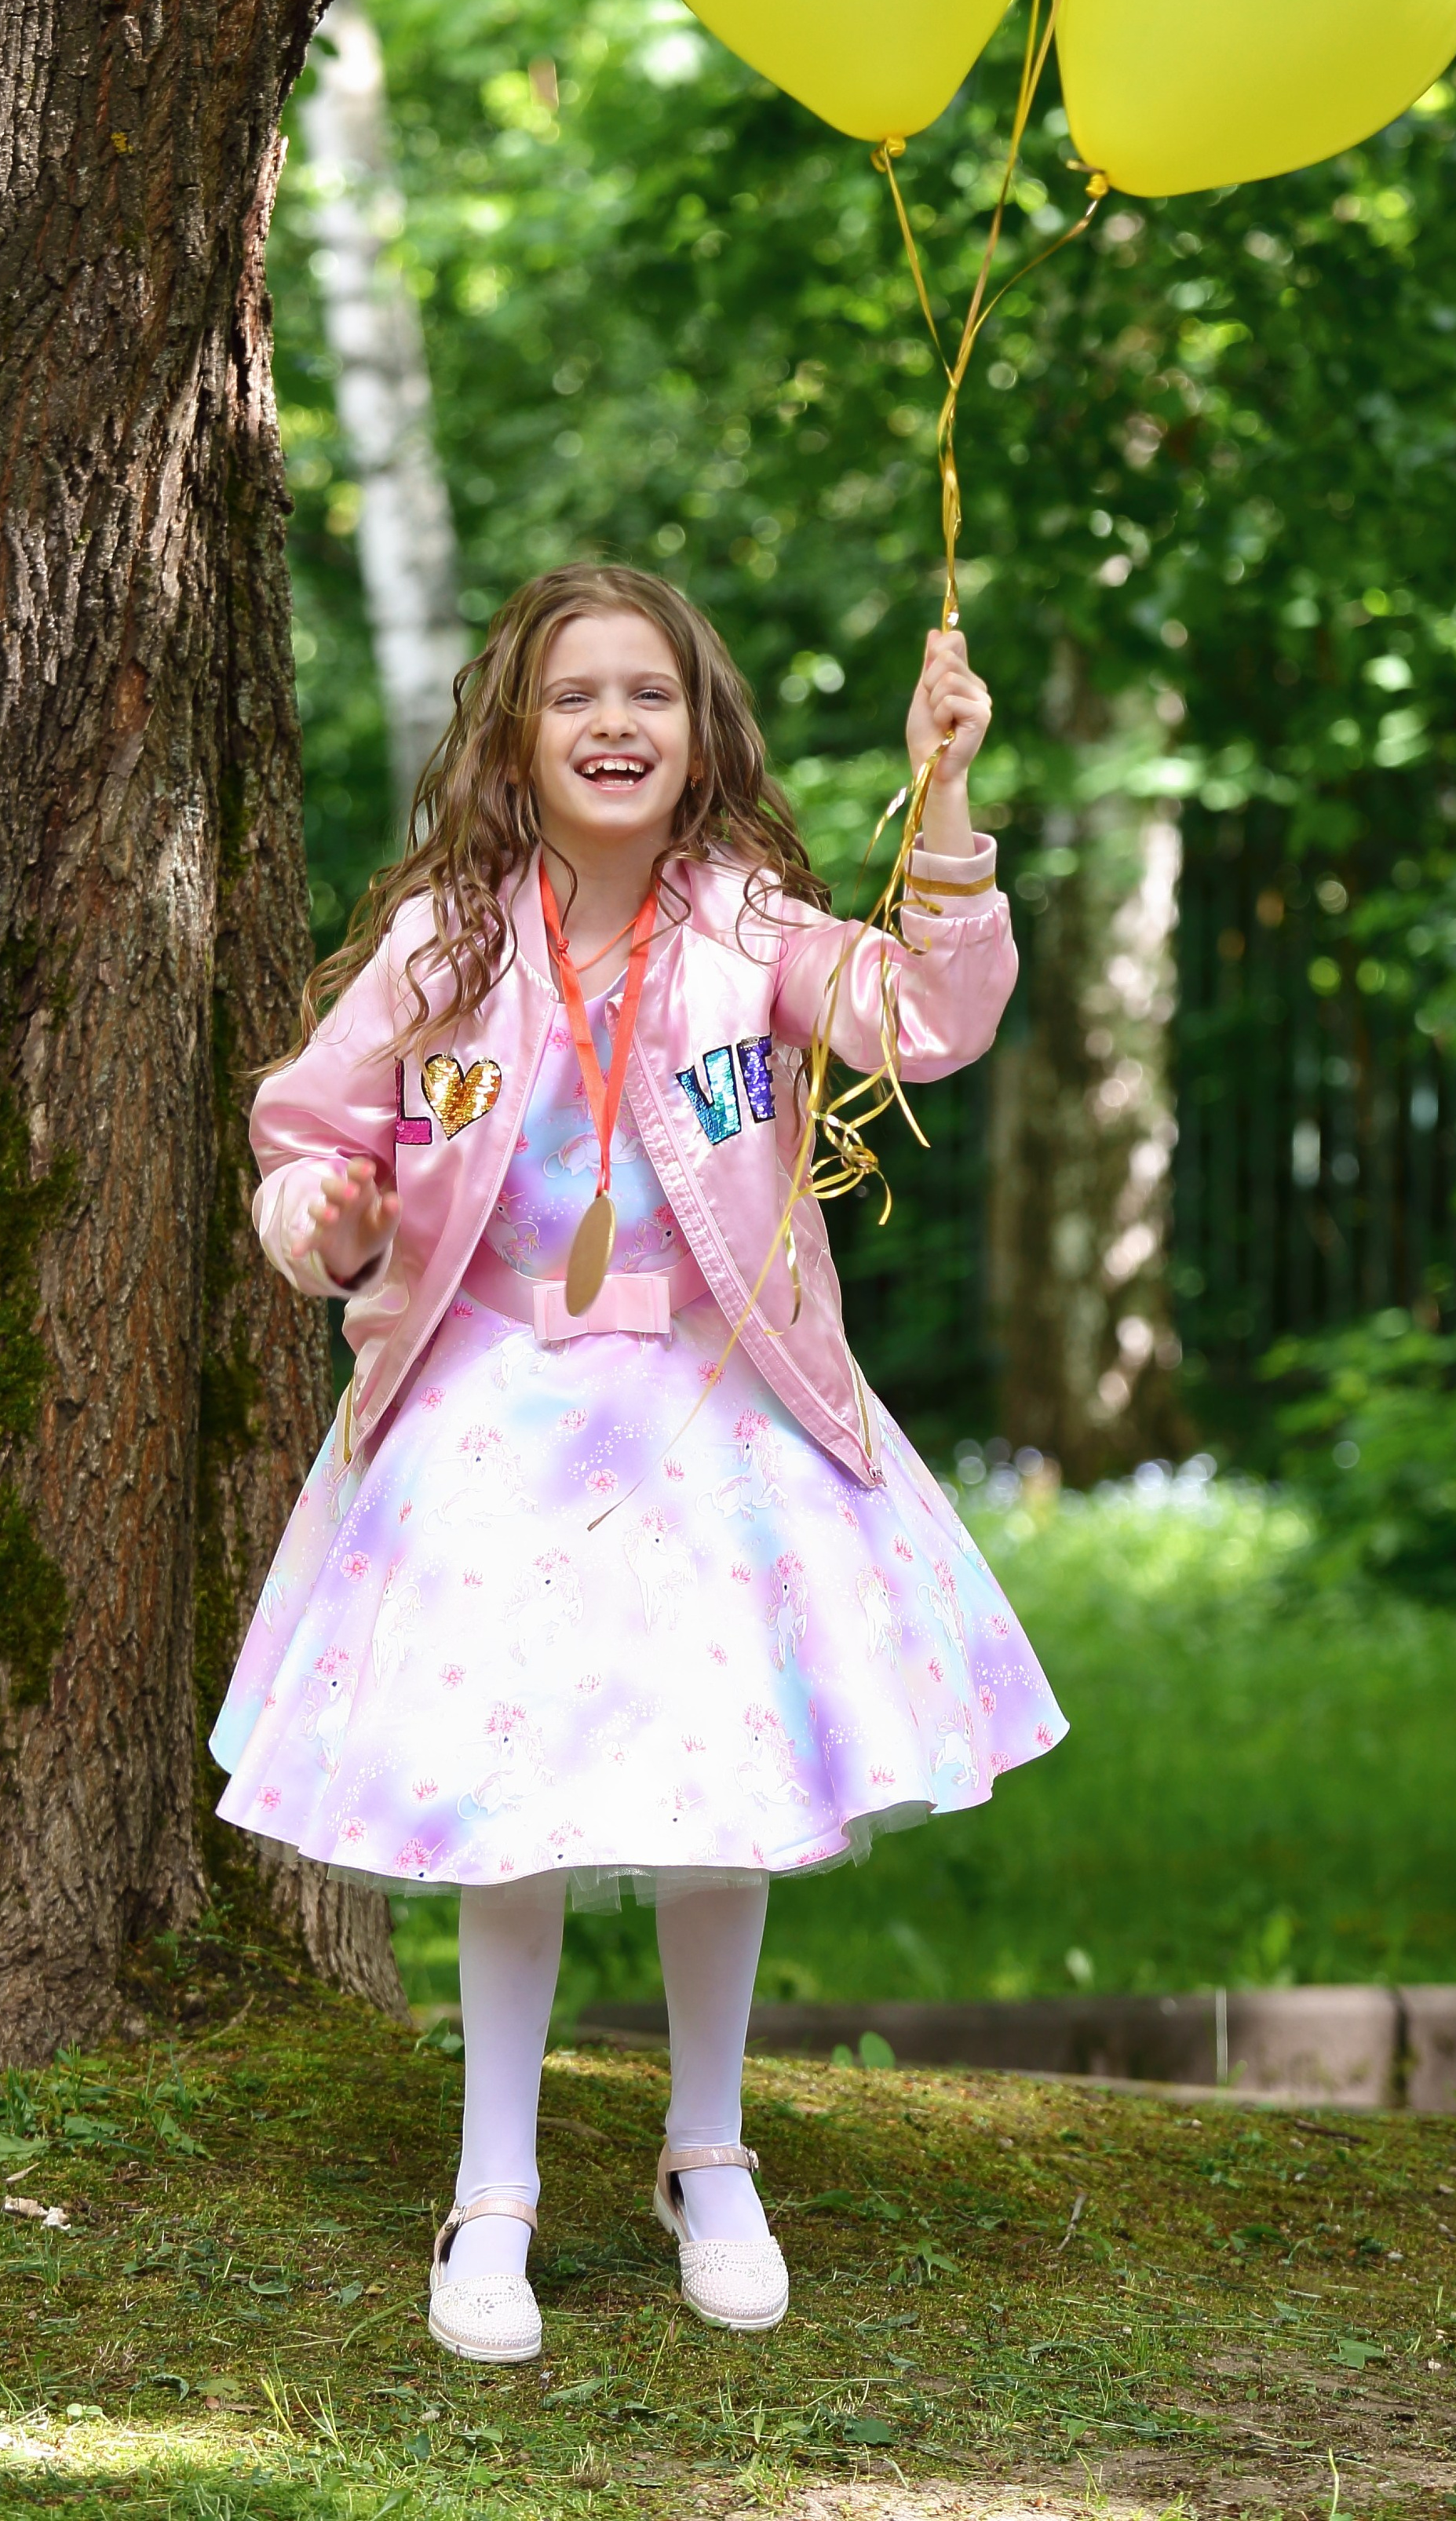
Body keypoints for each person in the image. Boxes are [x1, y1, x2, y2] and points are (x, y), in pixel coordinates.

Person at [210, 563, 1066, 2364]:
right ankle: (492, 2189)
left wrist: (946, 791)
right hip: (491, 1414)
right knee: (499, 1809)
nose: (615, 722)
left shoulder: (748, 928)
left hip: (708, 1410)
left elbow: (927, 1017)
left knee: (720, 1787)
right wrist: (328, 1218)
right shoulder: (446, 944)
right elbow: (305, 1137)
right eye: (576, 694)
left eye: (651, 696)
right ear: (516, 736)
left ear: (699, 737)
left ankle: (706, 2151)